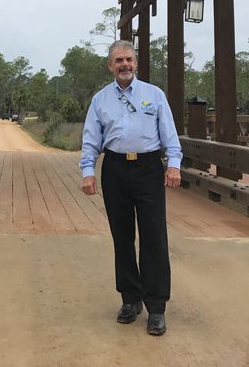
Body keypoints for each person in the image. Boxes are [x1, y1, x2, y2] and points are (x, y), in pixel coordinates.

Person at [80, 40, 182, 336]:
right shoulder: (100, 100)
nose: (124, 65)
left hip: (148, 168)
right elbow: (91, 138)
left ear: (136, 63)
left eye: (129, 60)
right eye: (118, 61)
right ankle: (130, 299)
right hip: (115, 168)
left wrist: (173, 164)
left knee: (153, 236)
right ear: (110, 66)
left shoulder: (155, 95)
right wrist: (88, 171)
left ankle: (157, 307)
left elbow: (170, 135)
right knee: (122, 236)